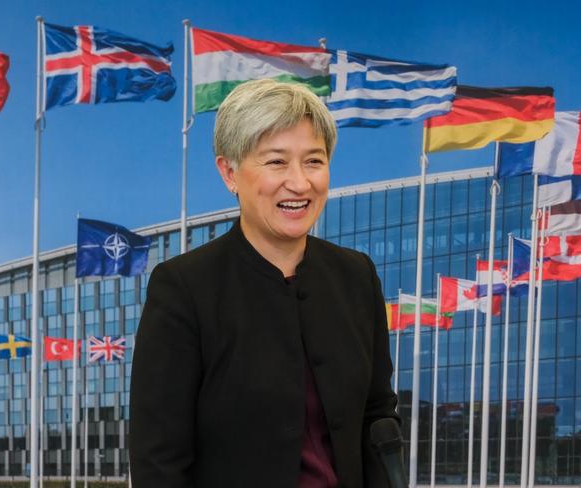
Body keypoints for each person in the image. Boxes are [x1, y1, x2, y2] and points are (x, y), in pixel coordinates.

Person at [129, 79, 399, 488]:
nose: (299, 183)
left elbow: (378, 414)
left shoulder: (356, 276)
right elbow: (158, 460)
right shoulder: (183, 288)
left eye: (314, 161)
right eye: (276, 162)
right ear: (229, 172)